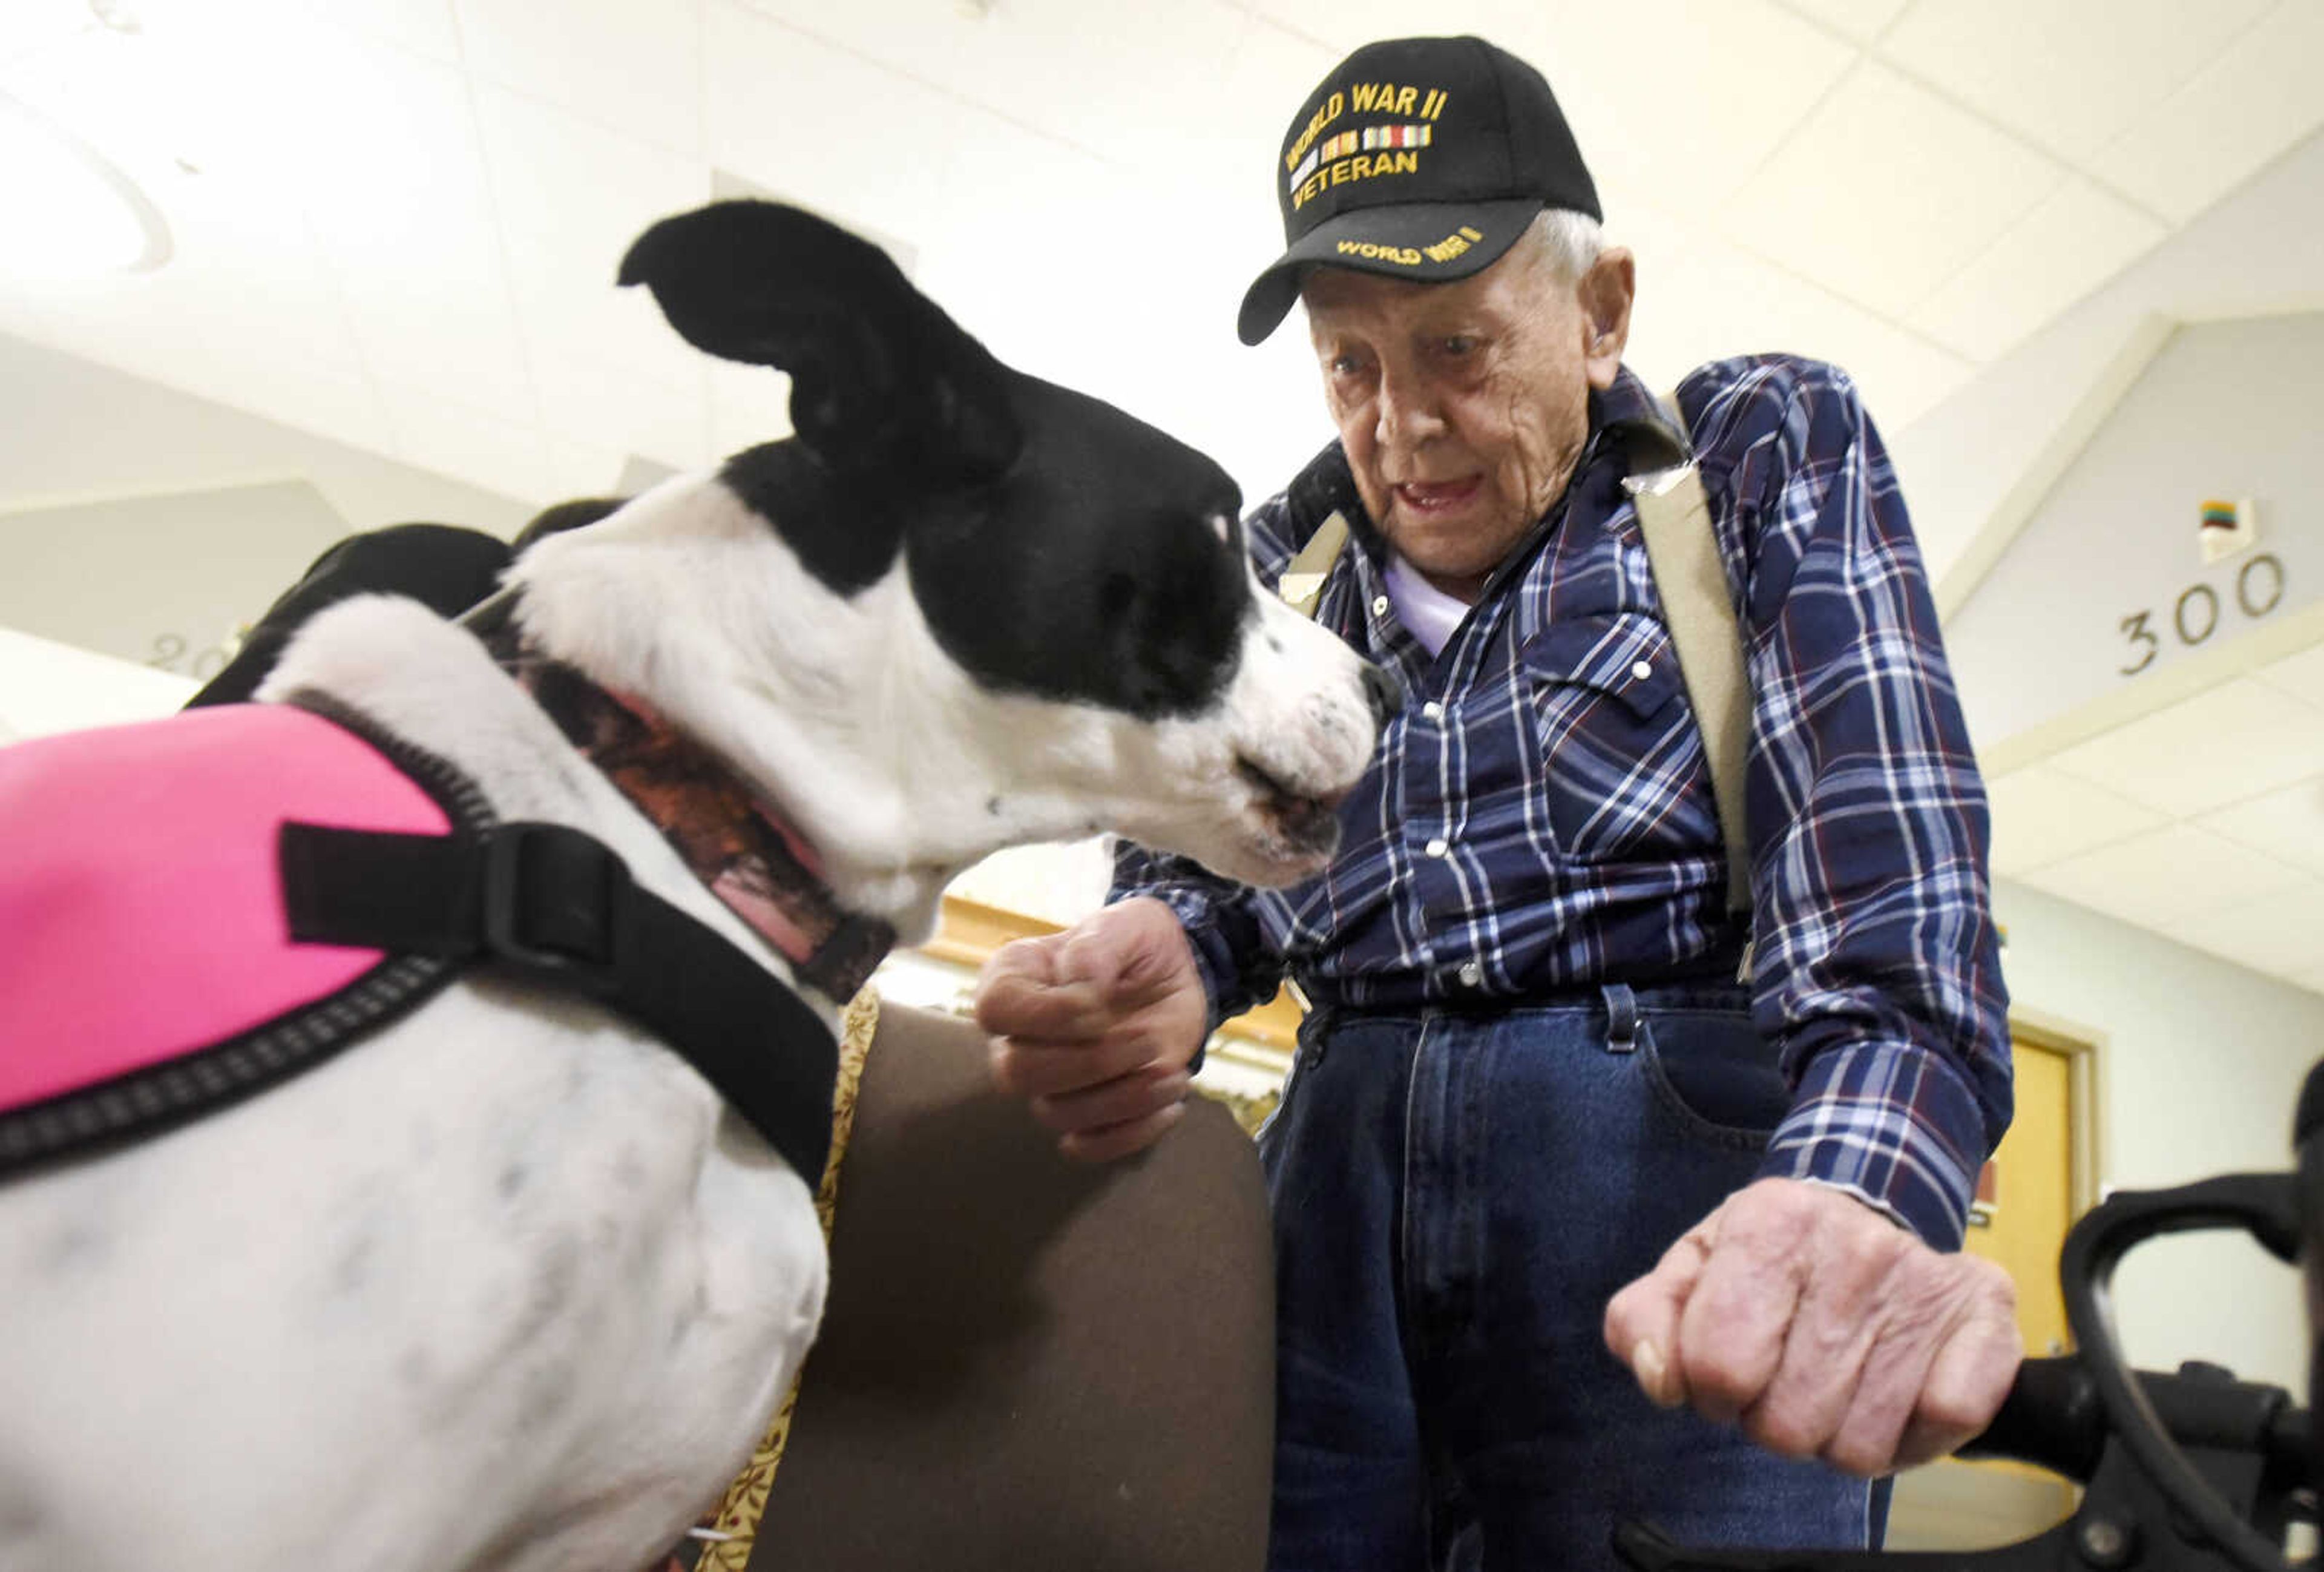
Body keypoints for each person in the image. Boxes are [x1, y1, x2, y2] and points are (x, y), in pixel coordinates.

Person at [974, 33, 2020, 1571]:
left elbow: (1894, 905)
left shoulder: (1749, 458)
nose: (1400, 426)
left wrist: (1854, 1195)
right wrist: (1170, 955)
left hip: (1675, 1208)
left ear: (1599, 316)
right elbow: (1199, 881)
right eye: (1352, 363)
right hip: (1333, 1206)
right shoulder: (1281, 564)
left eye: (1457, 346)